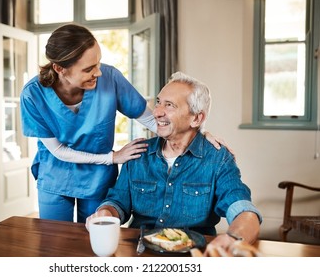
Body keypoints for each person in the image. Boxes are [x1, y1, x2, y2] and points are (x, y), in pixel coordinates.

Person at [20, 23, 228, 224]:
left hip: (97, 179)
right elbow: (58, 150)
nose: (98, 72)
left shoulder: (110, 78)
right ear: (60, 68)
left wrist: (195, 135)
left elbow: (148, 118)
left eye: (99, 63)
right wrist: (113, 157)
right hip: (56, 174)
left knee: (95, 238)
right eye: (89, 68)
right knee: (54, 242)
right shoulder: (32, 95)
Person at [86, 71, 262, 255]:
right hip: (140, 252)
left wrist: (233, 238)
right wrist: (107, 212)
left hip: (193, 256)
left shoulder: (218, 159)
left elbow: (243, 210)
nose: (156, 112)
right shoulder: (139, 153)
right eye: (159, 102)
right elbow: (117, 202)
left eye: (169, 105)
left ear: (196, 118)